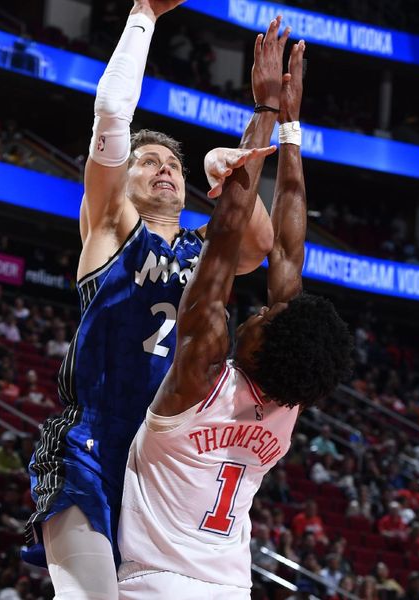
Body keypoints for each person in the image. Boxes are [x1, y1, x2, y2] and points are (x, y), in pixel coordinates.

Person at [24, 0, 275, 593]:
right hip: (93, 442)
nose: (166, 169)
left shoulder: (203, 255)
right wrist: (144, 15)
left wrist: (231, 178)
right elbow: (111, 112)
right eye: (150, 161)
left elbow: (258, 245)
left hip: (166, 461)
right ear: (124, 179)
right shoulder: (111, 227)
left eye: (174, 164)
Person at [117, 27, 352, 597]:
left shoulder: (199, 375)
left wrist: (267, 111)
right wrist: (292, 136)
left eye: (264, 323)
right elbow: (289, 252)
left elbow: (221, 248)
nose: (258, 314)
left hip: (157, 585)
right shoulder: (286, 408)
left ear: (262, 347)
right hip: (230, 586)